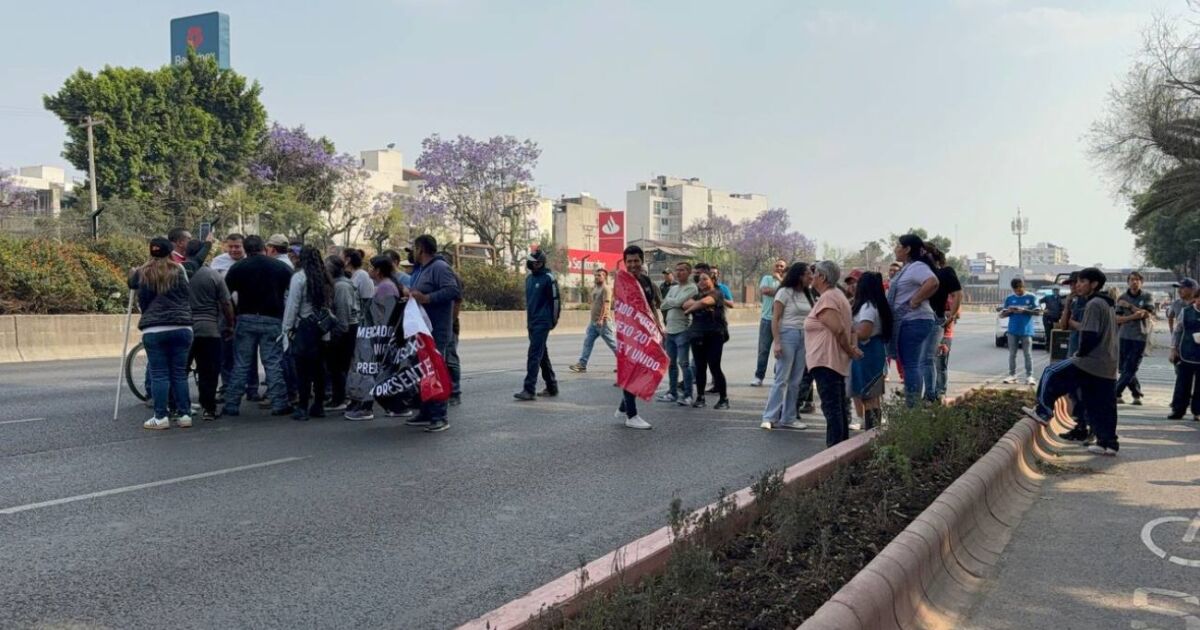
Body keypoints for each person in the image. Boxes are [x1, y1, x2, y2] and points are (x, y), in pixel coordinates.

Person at [1023, 268, 1120, 456]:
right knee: (1101, 404)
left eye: (1083, 281)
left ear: (1094, 284)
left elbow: (1090, 334)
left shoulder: (1094, 304)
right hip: (1107, 363)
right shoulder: (1108, 304)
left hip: (1090, 360)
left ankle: (1043, 412)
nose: (1078, 285)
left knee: (1051, 372)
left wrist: (1080, 353)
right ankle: (1108, 443)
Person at [222, 235, 294, 417]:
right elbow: (291, 294)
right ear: (264, 247)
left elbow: (226, 296)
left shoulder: (237, 268)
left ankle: (231, 404)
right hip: (272, 319)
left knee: (241, 364)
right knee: (273, 363)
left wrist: (230, 322)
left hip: (245, 318)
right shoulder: (281, 268)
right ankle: (280, 404)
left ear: (245, 249)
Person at [133, 237, 194, 430]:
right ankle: (184, 414)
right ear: (170, 251)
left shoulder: (143, 273)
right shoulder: (179, 269)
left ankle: (161, 417)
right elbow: (186, 295)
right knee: (179, 373)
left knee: (159, 374)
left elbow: (142, 300)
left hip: (154, 328)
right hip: (181, 326)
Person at [406, 234, 462, 432]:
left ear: (421, 248)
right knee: (423, 371)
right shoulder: (421, 269)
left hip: (437, 330)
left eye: (414, 247)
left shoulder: (439, 267)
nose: (413, 251)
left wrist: (427, 298)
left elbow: (453, 291)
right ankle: (426, 411)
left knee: (435, 370)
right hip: (422, 331)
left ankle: (440, 416)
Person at [343, 255, 406, 421]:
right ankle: (394, 406)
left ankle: (366, 407)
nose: (369, 271)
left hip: (378, 338)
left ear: (378, 271)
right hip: (381, 336)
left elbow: (384, 314)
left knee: (370, 370)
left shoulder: (385, 288)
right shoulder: (387, 285)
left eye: (371, 268)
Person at [805, 260, 861, 446]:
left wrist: (850, 350)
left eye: (814, 274)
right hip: (832, 361)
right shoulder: (838, 295)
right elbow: (851, 328)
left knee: (832, 410)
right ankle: (841, 451)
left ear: (822, 277)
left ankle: (834, 453)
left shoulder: (828, 298)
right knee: (838, 409)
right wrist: (851, 348)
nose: (812, 278)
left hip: (826, 361)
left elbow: (838, 330)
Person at [282, 246, 336, 421]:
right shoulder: (325, 277)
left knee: (302, 371)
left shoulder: (299, 278)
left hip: (304, 328)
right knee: (320, 369)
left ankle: (302, 407)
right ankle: (318, 405)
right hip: (322, 329)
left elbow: (292, 306)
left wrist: (287, 329)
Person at [886, 234, 940, 406]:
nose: (895, 249)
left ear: (907, 249)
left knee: (911, 365)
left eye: (897, 245)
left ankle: (912, 408)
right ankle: (913, 405)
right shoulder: (907, 268)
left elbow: (932, 282)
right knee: (911, 364)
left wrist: (915, 300)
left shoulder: (917, 266)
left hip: (913, 320)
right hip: (909, 321)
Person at [760, 262, 814, 430]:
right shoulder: (784, 292)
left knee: (796, 381)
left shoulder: (807, 294)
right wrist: (777, 342)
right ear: (799, 276)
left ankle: (789, 417)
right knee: (781, 378)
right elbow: (775, 319)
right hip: (787, 335)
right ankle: (769, 417)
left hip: (803, 337)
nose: (811, 277)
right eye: (808, 274)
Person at [185, 239, 235, 422]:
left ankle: (179, 408)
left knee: (180, 370)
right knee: (209, 371)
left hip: (184, 327)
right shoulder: (214, 276)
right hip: (209, 329)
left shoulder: (177, 273)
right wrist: (230, 325)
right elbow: (226, 303)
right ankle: (209, 409)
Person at [616, 245, 665, 428]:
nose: (633, 264)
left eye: (636, 260)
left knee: (648, 369)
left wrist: (658, 327)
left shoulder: (646, 281)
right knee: (632, 371)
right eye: (629, 261)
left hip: (647, 333)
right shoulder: (621, 282)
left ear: (642, 261)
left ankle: (624, 405)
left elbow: (652, 306)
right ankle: (631, 415)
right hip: (629, 334)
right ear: (625, 263)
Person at [211, 233, 259, 403]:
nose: (234, 250)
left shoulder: (252, 262)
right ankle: (227, 387)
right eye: (230, 246)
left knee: (249, 350)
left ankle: (252, 388)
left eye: (237, 246)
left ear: (244, 246)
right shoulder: (218, 262)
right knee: (226, 351)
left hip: (247, 311)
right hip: (225, 312)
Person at [514, 248, 560, 401]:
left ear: (543, 262)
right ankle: (552, 386)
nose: (535, 265)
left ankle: (529, 389)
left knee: (534, 354)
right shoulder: (529, 279)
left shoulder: (548, 278)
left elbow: (555, 302)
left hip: (543, 322)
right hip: (532, 322)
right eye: (533, 262)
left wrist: (553, 321)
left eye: (538, 262)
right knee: (541, 355)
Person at [849, 272, 892, 431]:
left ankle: (871, 432)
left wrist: (848, 329)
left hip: (867, 350)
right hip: (873, 349)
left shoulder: (867, 307)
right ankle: (874, 430)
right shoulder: (875, 305)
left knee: (869, 395)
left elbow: (865, 331)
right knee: (873, 395)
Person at [684, 270, 729, 410]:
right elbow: (686, 304)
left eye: (705, 279)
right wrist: (694, 306)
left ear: (712, 280)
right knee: (700, 367)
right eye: (699, 280)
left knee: (714, 366)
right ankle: (700, 397)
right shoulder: (697, 295)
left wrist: (691, 309)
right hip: (697, 334)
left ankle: (723, 399)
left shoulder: (717, 293)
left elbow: (705, 302)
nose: (701, 282)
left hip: (714, 334)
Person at [658, 261, 698, 405]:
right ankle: (672, 393)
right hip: (670, 330)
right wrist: (674, 301)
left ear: (689, 272)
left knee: (684, 363)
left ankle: (687, 395)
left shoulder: (692, 288)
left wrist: (672, 301)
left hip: (683, 330)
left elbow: (678, 302)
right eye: (677, 270)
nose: (679, 272)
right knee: (671, 364)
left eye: (682, 270)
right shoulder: (673, 288)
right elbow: (663, 305)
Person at [1115, 271, 1156, 405]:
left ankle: (1114, 392)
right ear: (1128, 282)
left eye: (1137, 280)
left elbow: (1146, 314)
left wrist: (1129, 306)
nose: (1134, 282)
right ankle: (1136, 393)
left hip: (1140, 337)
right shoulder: (1122, 297)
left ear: (1141, 282)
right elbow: (1117, 319)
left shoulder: (1147, 296)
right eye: (1132, 279)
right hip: (1124, 336)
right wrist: (1133, 316)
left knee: (1131, 367)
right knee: (1123, 368)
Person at [324, 255, 359, 412]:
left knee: (339, 365)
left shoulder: (341, 287)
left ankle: (341, 398)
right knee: (335, 365)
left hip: (345, 329)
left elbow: (343, 313)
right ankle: (339, 397)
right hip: (342, 328)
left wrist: (339, 333)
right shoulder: (337, 284)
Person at [926, 247, 962, 399]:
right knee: (928, 362)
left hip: (944, 331)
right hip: (928, 327)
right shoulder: (926, 279)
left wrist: (950, 315)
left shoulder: (946, 277)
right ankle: (930, 393)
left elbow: (958, 305)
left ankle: (940, 392)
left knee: (939, 363)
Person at [569, 268, 617, 373]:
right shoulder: (595, 288)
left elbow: (606, 305)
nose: (596, 277)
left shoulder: (606, 289)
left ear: (605, 277)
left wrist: (600, 319)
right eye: (595, 275)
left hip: (603, 322)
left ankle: (625, 363)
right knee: (587, 342)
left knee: (613, 344)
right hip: (593, 322)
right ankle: (582, 364)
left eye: (599, 275)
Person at [753, 259, 788, 387]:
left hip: (782, 321)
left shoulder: (787, 282)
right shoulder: (767, 278)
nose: (779, 268)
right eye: (777, 265)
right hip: (767, 319)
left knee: (780, 351)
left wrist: (780, 280)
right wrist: (780, 288)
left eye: (782, 266)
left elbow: (785, 292)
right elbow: (765, 291)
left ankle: (777, 376)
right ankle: (759, 376)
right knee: (763, 350)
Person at [1001, 278, 1039, 385]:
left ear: (1023, 286)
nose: (1018, 291)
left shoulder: (1031, 297)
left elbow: (1037, 312)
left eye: (1020, 289)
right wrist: (1008, 311)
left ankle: (1029, 376)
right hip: (1012, 330)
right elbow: (1003, 314)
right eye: (1015, 289)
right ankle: (1012, 375)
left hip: (1026, 331)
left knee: (1027, 354)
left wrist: (1024, 311)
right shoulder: (1009, 298)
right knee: (1012, 354)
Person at [344, 248, 376, 318]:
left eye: (340, 257)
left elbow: (368, 302)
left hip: (357, 322)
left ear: (347, 260)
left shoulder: (363, 275)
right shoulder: (343, 275)